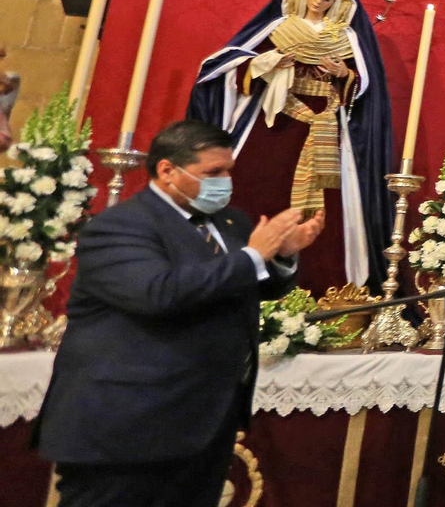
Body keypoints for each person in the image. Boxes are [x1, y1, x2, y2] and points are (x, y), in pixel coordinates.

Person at [36, 119, 324, 507]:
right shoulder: (119, 226)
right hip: (127, 428)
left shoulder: (231, 222)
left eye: (228, 171)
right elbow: (159, 294)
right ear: (167, 170)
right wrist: (254, 254)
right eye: (213, 173)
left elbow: (247, 284)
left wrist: (282, 255)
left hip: (204, 421)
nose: (225, 182)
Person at [188, 0, 392, 293]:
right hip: (277, 121)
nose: (320, 2)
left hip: (325, 125)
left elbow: (365, 88)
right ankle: (240, 277)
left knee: (329, 208)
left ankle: (324, 289)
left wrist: (343, 73)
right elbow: (234, 67)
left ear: (336, 3)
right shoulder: (279, 28)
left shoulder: (346, 37)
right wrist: (269, 63)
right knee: (258, 188)